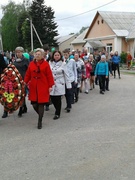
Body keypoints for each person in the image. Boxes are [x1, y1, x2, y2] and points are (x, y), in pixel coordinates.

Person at [24, 48, 54, 129]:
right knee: (34, 104)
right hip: (34, 86)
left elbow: (49, 75)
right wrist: (25, 82)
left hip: (43, 86)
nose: (37, 55)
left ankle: (39, 120)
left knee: (41, 103)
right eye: (36, 54)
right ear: (34, 55)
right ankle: (41, 114)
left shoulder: (46, 64)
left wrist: (50, 86)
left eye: (39, 54)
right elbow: (28, 74)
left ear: (42, 55)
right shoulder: (31, 64)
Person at [49, 50, 71, 119]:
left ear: (60, 56)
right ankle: (56, 108)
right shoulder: (50, 63)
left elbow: (66, 74)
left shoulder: (63, 64)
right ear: (53, 56)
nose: (56, 56)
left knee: (58, 98)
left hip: (60, 82)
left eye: (58, 55)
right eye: (55, 55)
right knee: (52, 98)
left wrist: (68, 85)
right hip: (52, 83)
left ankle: (57, 113)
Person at [13, 46, 29, 117]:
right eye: (17, 52)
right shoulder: (15, 61)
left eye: (19, 52)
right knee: (19, 94)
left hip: (23, 78)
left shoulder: (25, 60)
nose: (18, 53)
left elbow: (29, 69)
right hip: (16, 79)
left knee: (22, 93)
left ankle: (21, 109)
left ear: (22, 52)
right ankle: (24, 107)